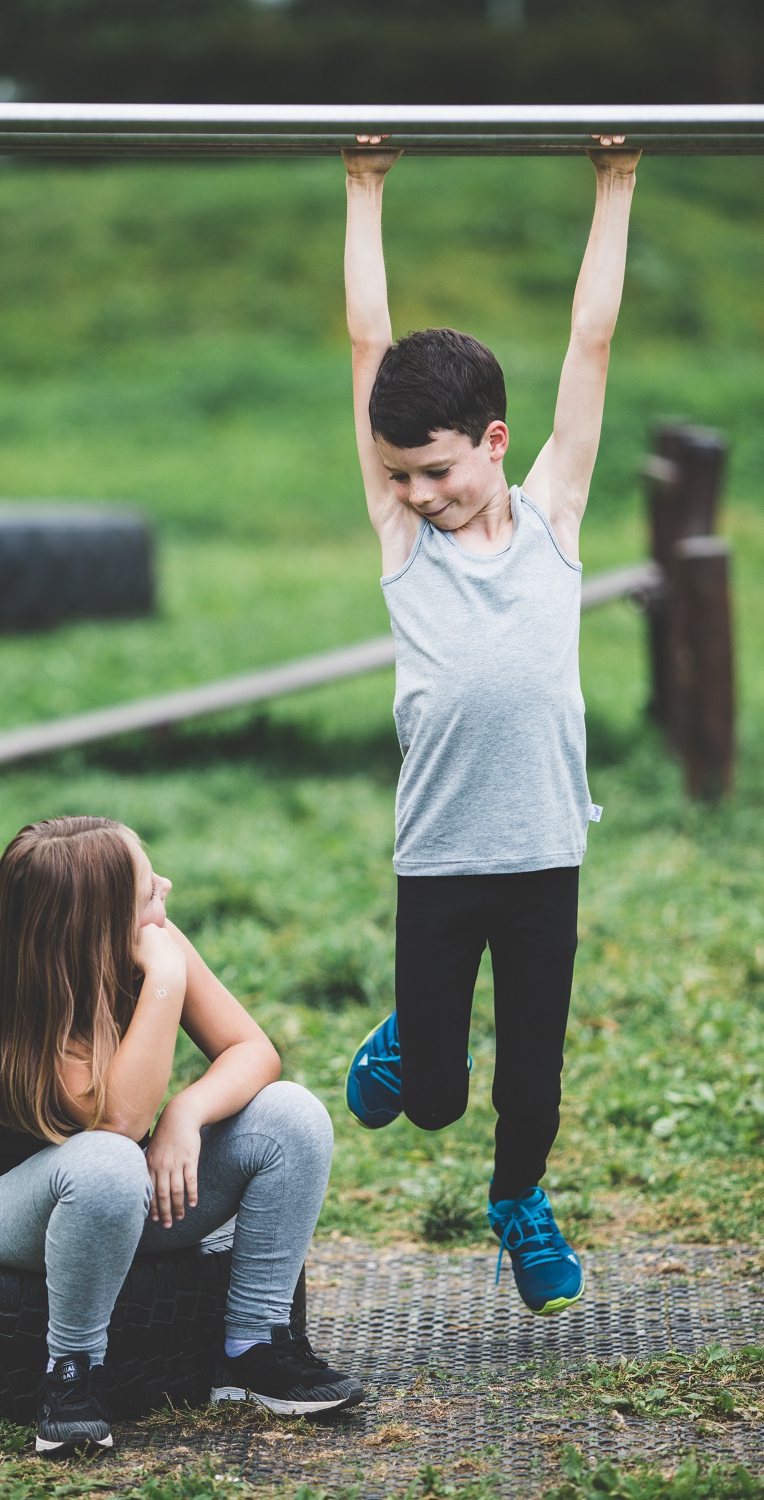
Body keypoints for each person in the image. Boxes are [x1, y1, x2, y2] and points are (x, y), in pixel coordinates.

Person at [341, 136, 641, 1316]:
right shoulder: (402, 539)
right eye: (397, 474)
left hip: (544, 853)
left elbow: (590, 340)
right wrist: (363, 190)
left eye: (435, 470)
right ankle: (405, 1047)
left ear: (496, 443)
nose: (416, 491)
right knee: (432, 1100)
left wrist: (615, 183)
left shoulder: (558, 515)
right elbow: (368, 345)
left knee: (531, 1080)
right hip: (439, 857)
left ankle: (519, 1202)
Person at [0, 815, 363, 1458]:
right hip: (18, 1209)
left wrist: (187, 1114)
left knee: (291, 1117)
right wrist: (165, 981)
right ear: (100, 922)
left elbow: (253, 1051)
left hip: (131, 1192)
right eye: (149, 890)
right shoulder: (16, 1004)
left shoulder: (154, 942)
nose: (166, 887)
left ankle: (253, 1347)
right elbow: (116, 1122)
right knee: (108, 1162)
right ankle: (73, 1373)